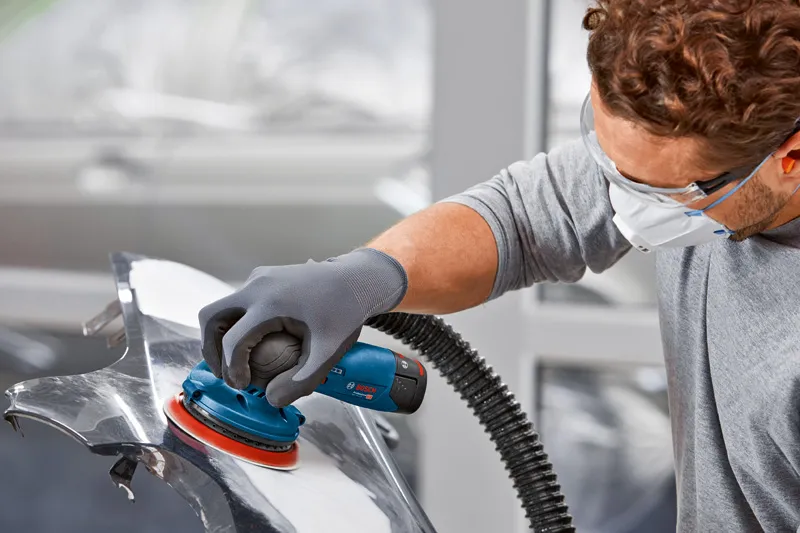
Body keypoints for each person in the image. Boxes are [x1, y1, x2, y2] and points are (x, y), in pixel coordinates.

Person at [198, 1, 800, 531]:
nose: (622, 203)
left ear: (789, 157)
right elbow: (522, 219)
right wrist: (360, 279)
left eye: (659, 192)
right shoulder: (697, 150)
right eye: (608, 159)